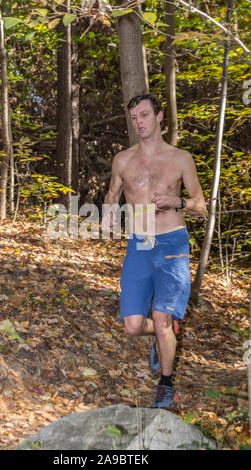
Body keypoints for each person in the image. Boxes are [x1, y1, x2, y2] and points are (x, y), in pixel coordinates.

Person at [101, 92, 208, 408]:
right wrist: (108, 215)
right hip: (140, 243)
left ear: (160, 117)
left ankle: (166, 384)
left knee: (161, 318)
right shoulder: (123, 159)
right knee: (134, 325)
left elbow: (201, 206)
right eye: (134, 118)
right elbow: (112, 194)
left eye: (145, 115)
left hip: (173, 243)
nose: (139, 123)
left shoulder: (180, 158)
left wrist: (179, 202)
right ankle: (165, 335)